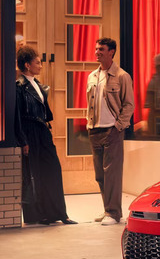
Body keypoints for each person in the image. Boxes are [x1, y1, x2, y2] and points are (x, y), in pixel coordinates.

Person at [14, 46, 77, 225]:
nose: (41, 66)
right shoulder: (19, 87)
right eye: (37, 62)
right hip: (29, 132)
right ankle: (37, 216)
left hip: (42, 131)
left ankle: (58, 213)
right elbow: (17, 117)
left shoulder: (39, 85)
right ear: (27, 65)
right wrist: (23, 140)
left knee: (53, 170)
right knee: (33, 173)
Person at [86, 37, 134, 225]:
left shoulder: (122, 76)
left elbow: (129, 105)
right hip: (94, 129)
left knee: (112, 173)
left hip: (112, 130)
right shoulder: (92, 76)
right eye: (96, 48)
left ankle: (114, 213)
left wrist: (119, 126)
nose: (97, 52)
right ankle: (108, 209)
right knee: (100, 174)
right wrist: (88, 123)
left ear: (111, 52)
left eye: (101, 49)